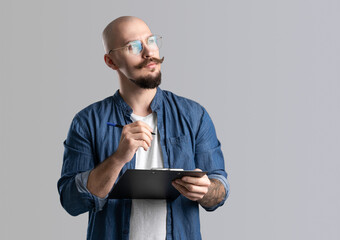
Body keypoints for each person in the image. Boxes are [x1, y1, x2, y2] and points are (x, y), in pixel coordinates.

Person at [57, 16, 229, 240]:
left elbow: (220, 189)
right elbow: (71, 202)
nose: (148, 52)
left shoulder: (194, 115)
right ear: (111, 61)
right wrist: (119, 158)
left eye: (151, 40)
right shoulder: (87, 121)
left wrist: (206, 190)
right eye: (133, 46)